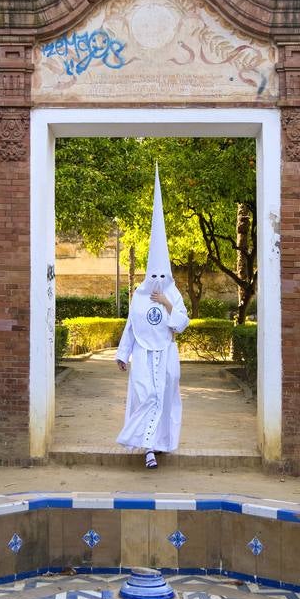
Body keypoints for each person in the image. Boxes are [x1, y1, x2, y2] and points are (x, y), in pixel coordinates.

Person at [115, 166, 189, 469]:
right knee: (146, 394)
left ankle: (158, 444)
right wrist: (123, 354)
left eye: (163, 273)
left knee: (164, 395)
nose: (158, 278)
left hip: (167, 353)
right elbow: (132, 326)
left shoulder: (173, 293)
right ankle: (145, 446)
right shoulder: (138, 295)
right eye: (153, 273)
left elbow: (182, 323)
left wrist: (168, 304)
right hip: (145, 355)